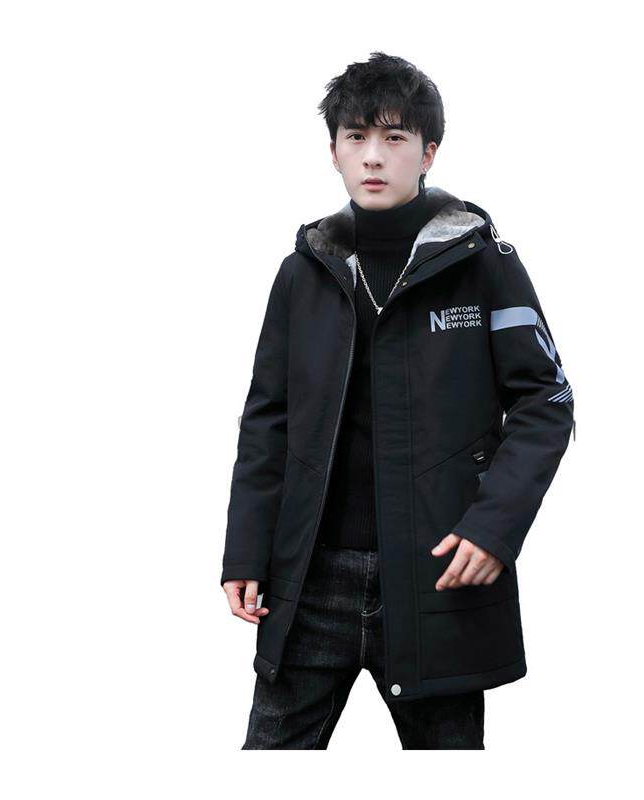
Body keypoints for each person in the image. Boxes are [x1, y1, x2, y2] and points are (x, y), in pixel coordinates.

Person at [221, 52, 575, 750]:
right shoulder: (303, 272)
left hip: (438, 572)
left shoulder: (484, 265)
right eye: (355, 137)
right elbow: (267, 420)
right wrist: (246, 551)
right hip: (309, 579)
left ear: (428, 152)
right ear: (333, 152)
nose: (373, 156)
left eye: (394, 137)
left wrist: (493, 528)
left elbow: (546, 401)